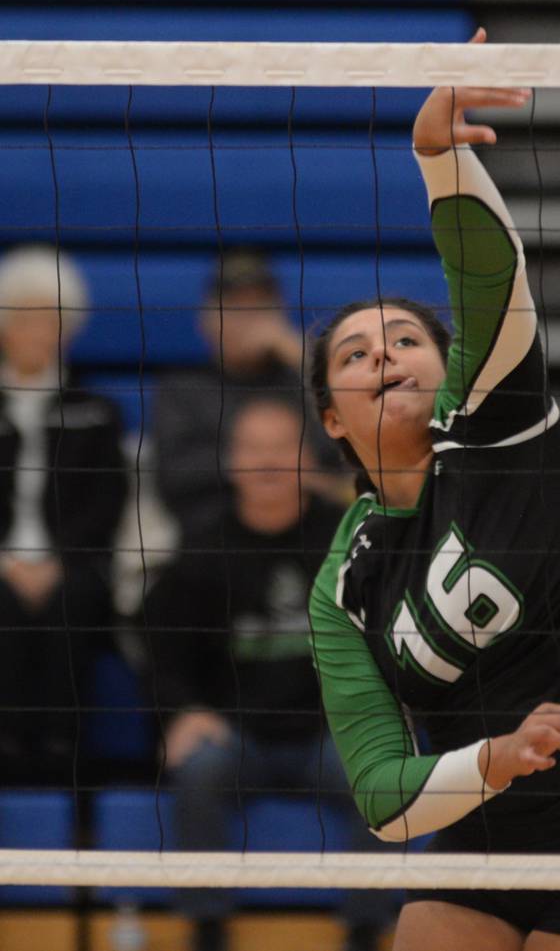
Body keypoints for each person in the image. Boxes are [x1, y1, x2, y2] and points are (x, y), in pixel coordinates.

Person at [306, 55, 560, 951]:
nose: (384, 357)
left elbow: (491, 277)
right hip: (493, 809)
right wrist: (494, 760)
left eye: (406, 339)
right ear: (330, 420)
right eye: (354, 355)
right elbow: (382, 793)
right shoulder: (344, 582)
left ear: (447, 362)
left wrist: (438, 158)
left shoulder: (500, 426)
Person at [143, 395, 392, 951]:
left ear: (308, 459)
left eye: (281, 448)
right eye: (254, 450)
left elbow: (390, 639)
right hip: (236, 734)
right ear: (232, 464)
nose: (269, 463)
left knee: (381, 779)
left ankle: (366, 929)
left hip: (330, 733)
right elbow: (164, 650)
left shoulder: (349, 537)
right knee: (200, 770)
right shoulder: (201, 546)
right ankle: (206, 927)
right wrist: (181, 714)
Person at [0, 243, 128, 781]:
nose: (36, 330)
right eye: (23, 315)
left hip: (71, 565)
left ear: (67, 329)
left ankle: (65, 767)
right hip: (3, 564)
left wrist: (58, 561)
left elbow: (107, 502)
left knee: (71, 602)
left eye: (49, 318)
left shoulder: (95, 412)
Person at [153, 247, 343, 539]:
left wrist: (306, 362)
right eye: (234, 307)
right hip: (211, 541)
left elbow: (344, 448)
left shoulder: (300, 380)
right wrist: (267, 464)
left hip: (311, 537)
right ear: (207, 319)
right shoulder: (183, 389)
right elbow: (175, 473)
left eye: (259, 306)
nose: (248, 320)